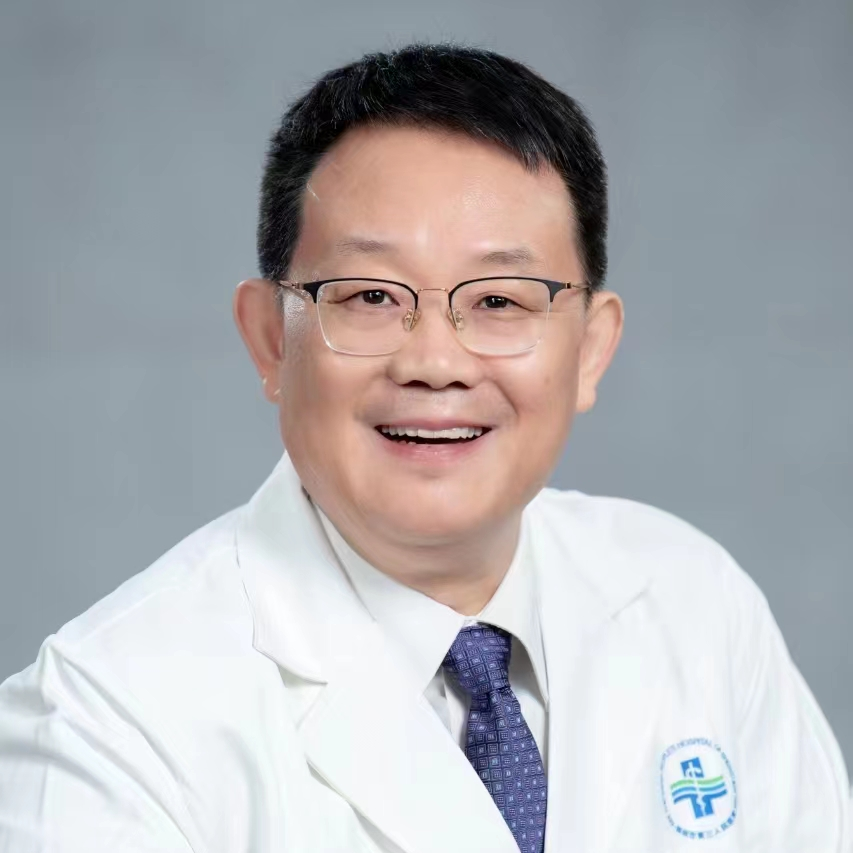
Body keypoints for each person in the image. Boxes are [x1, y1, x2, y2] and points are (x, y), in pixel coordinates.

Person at [0, 43, 849, 853]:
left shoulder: (692, 602)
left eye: (499, 300)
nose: (435, 362)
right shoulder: (105, 721)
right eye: (370, 295)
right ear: (269, 339)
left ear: (591, 349)